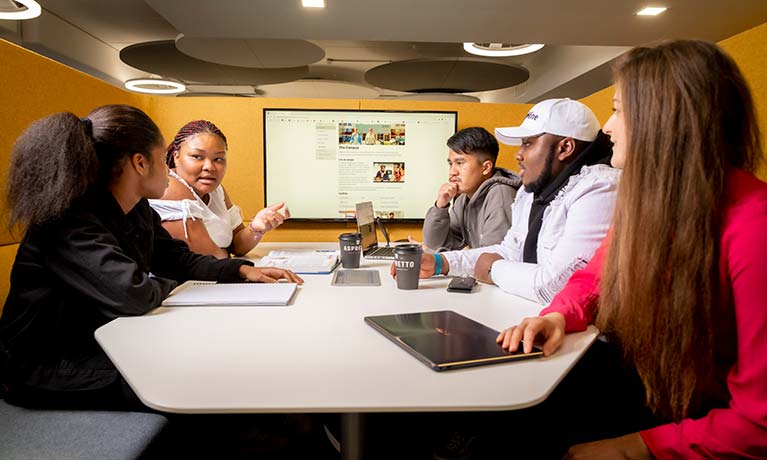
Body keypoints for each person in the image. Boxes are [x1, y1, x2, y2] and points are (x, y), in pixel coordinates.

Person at [497, 40, 767, 459]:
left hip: (702, 421)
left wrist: (636, 448)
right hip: (662, 393)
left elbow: (757, 422)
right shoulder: (652, 204)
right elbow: (594, 279)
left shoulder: (755, 228)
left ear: (665, 119)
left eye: (619, 109)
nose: (607, 126)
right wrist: (557, 315)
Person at [0, 105, 302, 410]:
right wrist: (174, 286)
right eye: (163, 160)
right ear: (140, 163)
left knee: (228, 359)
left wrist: (239, 271)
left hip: (104, 341)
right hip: (50, 366)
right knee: (209, 376)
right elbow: (133, 293)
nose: (169, 170)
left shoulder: (137, 209)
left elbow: (178, 260)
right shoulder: (69, 220)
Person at [413, 100, 618, 303]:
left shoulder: (599, 188)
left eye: (528, 143)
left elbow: (557, 285)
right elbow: (509, 251)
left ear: (565, 148)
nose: (519, 154)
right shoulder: (530, 193)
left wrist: (494, 269)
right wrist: (441, 263)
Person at [149, 120, 288, 259]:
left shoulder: (217, 191)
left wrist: (256, 228)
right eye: (197, 157)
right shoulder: (169, 185)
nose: (209, 167)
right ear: (176, 157)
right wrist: (224, 253)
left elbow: (237, 246)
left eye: (218, 159)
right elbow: (210, 258)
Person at [422, 127, 521, 251]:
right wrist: (440, 207)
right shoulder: (464, 199)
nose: (452, 172)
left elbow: (492, 259)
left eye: (460, 163)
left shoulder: (500, 197)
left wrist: (439, 259)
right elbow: (434, 244)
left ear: (486, 168)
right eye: (450, 163)